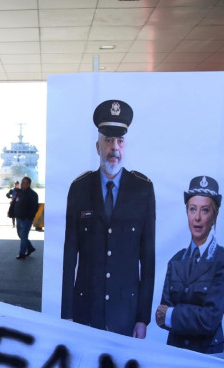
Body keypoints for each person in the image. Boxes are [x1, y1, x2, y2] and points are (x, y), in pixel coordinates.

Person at [62, 99, 155, 338]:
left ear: (125, 146)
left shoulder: (142, 189)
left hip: (125, 313)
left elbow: (148, 258)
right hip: (85, 311)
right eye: (108, 141)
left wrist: (142, 318)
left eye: (120, 141)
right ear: (97, 146)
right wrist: (67, 313)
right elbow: (70, 254)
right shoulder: (79, 188)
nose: (114, 148)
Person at [155, 175, 224, 354]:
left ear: (215, 215)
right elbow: (160, 316)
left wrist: (172, 314)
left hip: (205, 352)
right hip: (176, 349)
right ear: (187, 213)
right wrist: (185, 314)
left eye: (205, 210)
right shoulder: (176, 260)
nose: (197, 217)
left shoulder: (223, 260)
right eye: (192, 209)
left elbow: (210, 320)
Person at [14, 176, 39, 259]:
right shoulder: (19, 192)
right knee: (20, 235)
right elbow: (15, 203)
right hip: (19, 217)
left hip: (26, 219)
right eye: (22, 182)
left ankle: (22, 253)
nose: (22, 184)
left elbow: (35, 207)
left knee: (24, 236)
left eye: (24, 182)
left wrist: (28, 217)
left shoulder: (33, 194)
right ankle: (30, 248)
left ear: (28, 184)